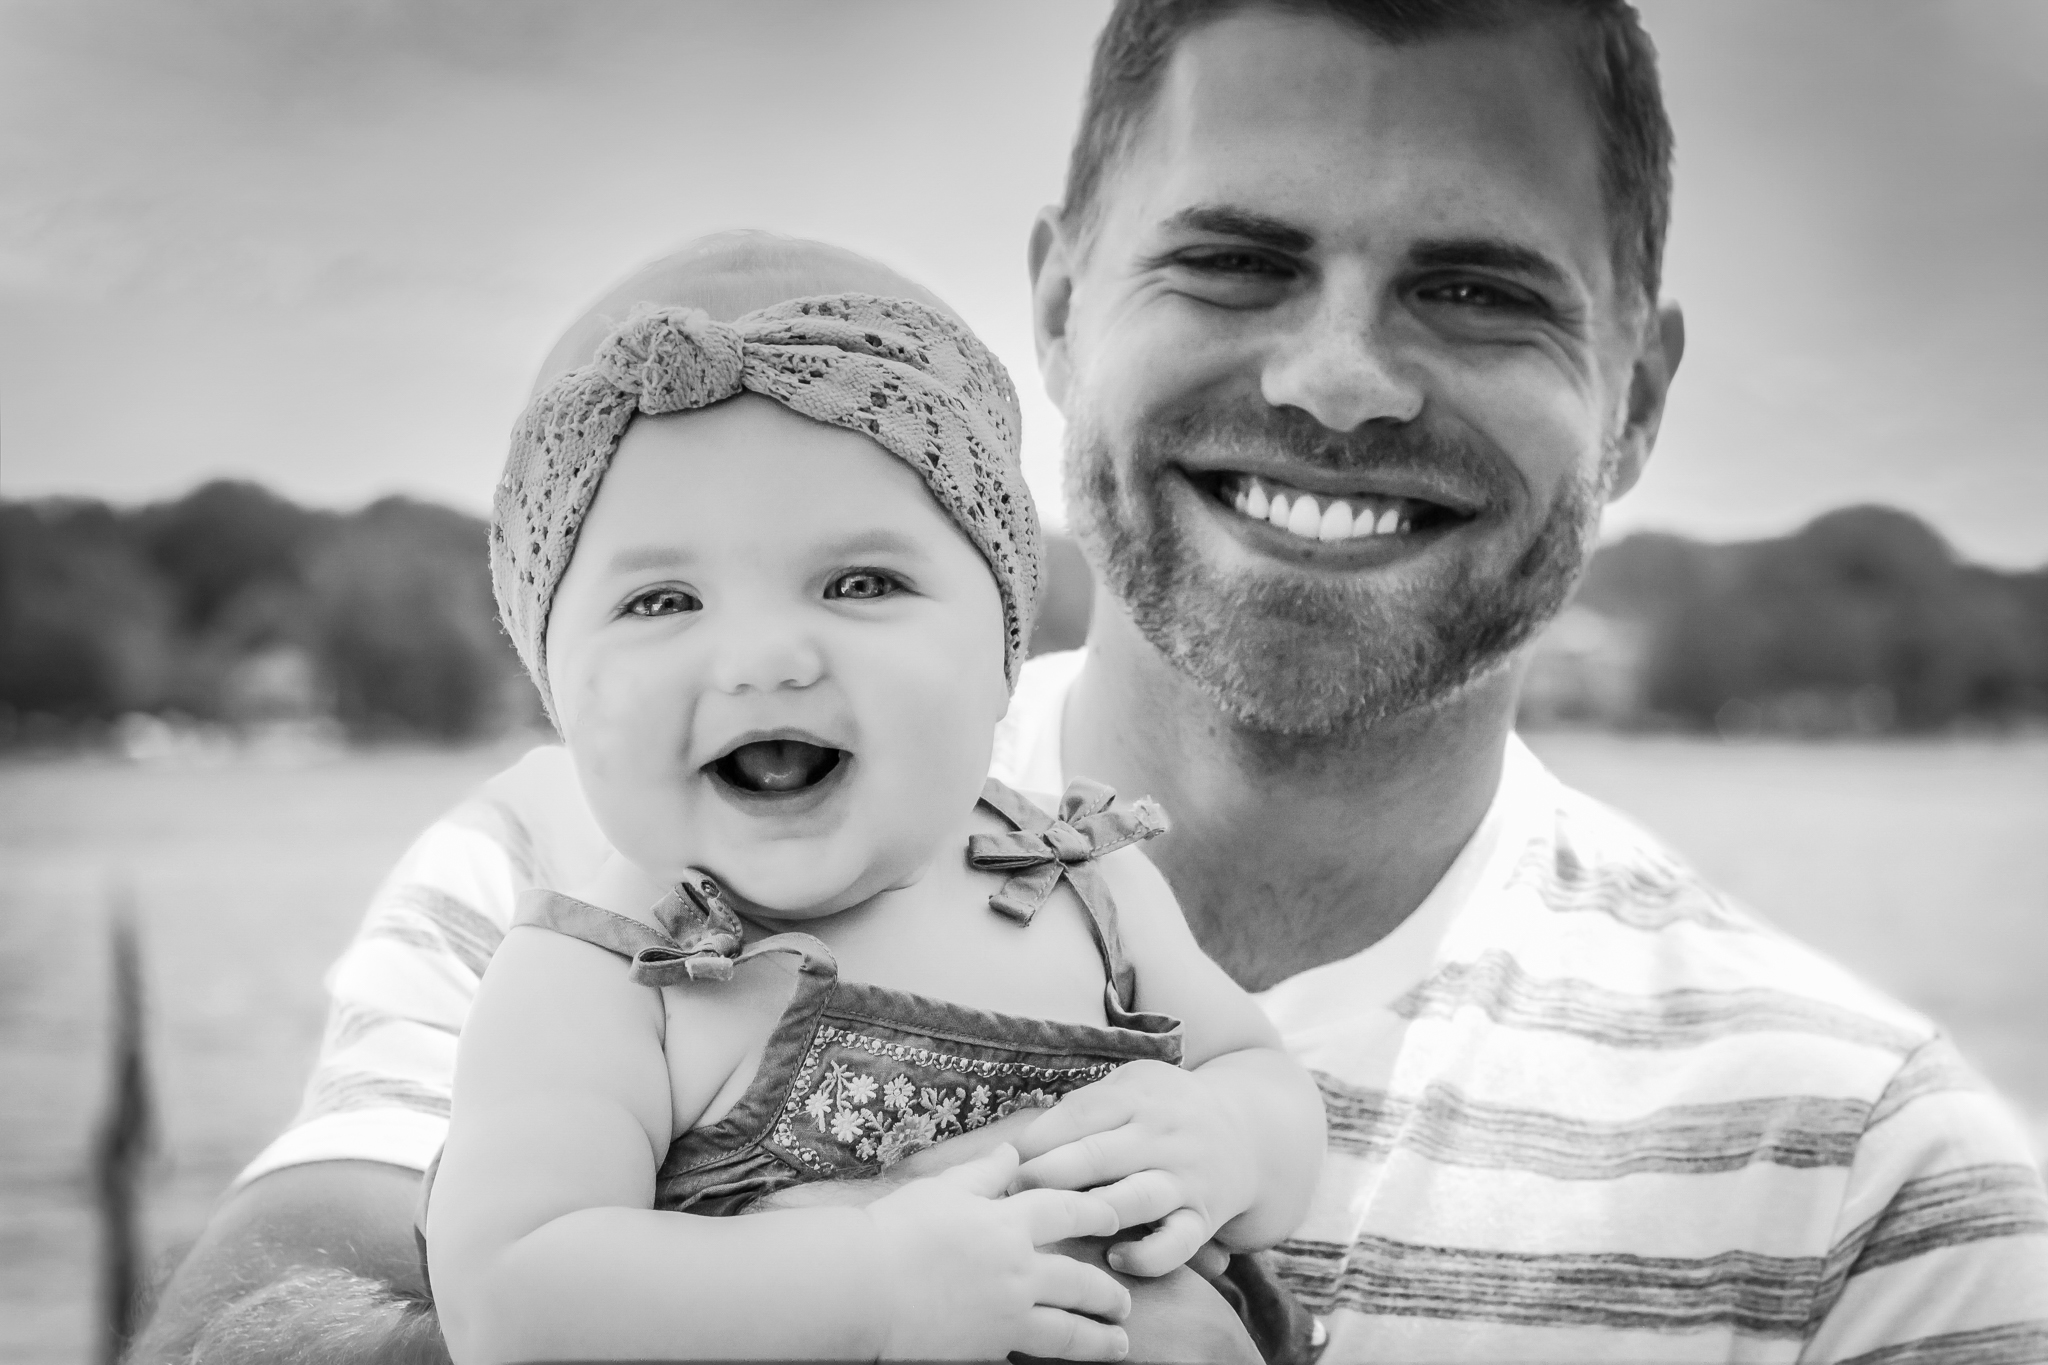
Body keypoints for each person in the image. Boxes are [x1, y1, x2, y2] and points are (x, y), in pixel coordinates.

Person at [135, 2, 2048, 1362]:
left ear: (1634, 397)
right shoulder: (559, 897)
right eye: (1229, 261)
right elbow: (340, 1312)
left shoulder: (1874, 1175)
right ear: (1054, 303)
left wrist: (1220, 1150)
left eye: (1475, 289)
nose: (1336, 382)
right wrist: (842, 1296)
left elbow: (1242, 1093)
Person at [420, 247, 1325, 1364]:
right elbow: (509, 1296)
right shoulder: (603, 981)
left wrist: (1229, 1137)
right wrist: (874, 1291)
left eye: (860, 583)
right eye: (661, 599)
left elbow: (1261, 1076)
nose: (761, 658)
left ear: (1001, 653)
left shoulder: (1080, 881)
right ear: (556, 691)